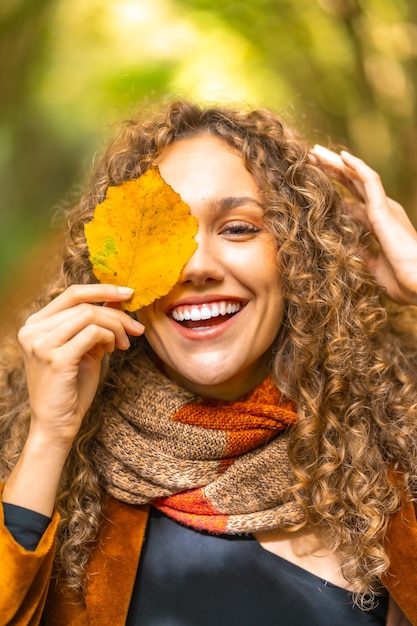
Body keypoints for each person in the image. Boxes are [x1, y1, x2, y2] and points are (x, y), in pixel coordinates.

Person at [1, 100, 417, 626]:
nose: (197, 266)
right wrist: (48, 439)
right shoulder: (41, 457)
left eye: (239, 228)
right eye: (163, 236)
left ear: (302, 257)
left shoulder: (397, 445)